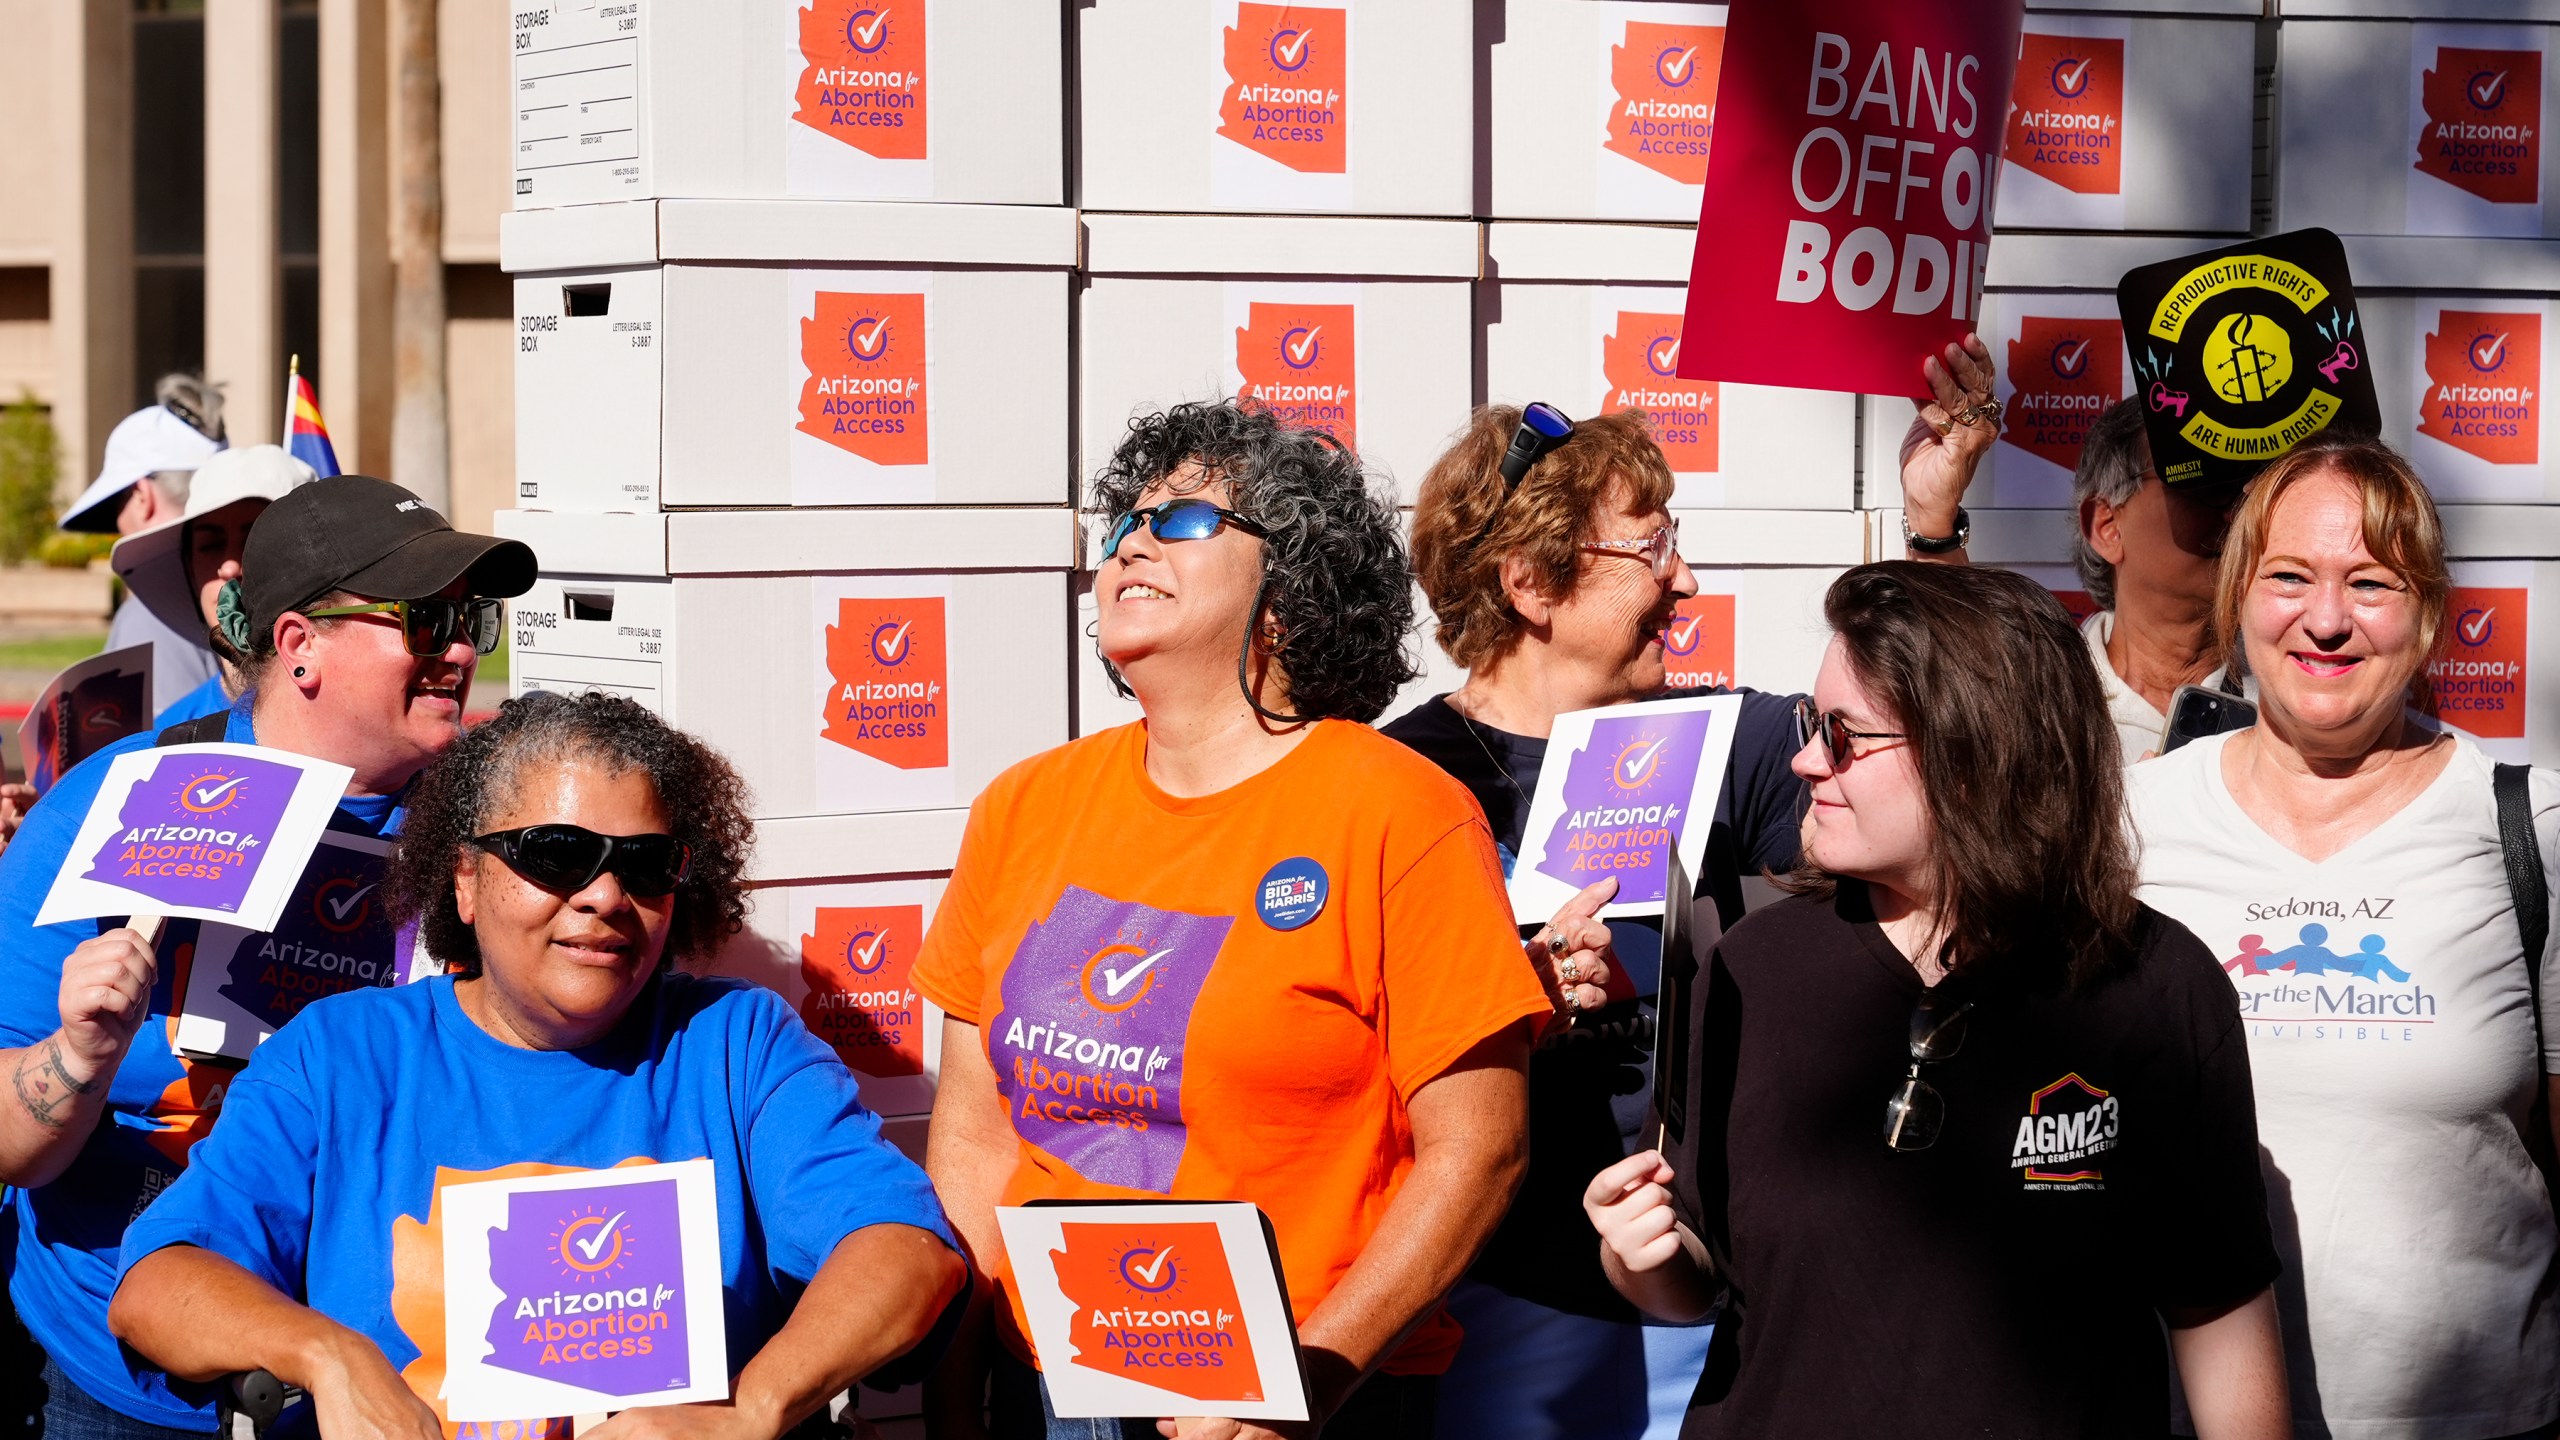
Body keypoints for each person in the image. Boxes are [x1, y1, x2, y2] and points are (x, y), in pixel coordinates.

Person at [915, 401, 1550, 1440]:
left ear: (1291, 583)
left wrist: (1307, 1385)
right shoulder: (1022, 806)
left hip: (1304, 1394)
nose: (1130, 543)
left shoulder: (1402, 813)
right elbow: (978, 1135)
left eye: (1183, 522)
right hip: (1052, 1390)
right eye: (1124, 522)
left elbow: (1479, 1151)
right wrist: (951, 1395)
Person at [109, 689, 965, 1440]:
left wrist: (753, 1407)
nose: (603, 895)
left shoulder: (739, 1045)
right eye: (555, 854)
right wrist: (324, 1354)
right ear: (467, 882)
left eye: (644, 864)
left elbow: (905, 1251)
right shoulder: (338, 1055)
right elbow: (157, 1282)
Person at [1585, 561, 2288, 1438]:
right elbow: (1697, 1279)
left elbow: (2215, 1304)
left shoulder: (2157, 985)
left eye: (1843, 735)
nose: (1804, 760)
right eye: (1811, 724)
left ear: (1973, 755)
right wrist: (1639, 1255)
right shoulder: (1748, 969)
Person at [0, 474, 533, 1437]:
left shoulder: (506, 832)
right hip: (131, 1384)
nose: (459, 648)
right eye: (422, 618)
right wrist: (78, 1058)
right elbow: (10, 1146)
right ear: (299, 647)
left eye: (469, 618)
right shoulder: (112, 811)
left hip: (409, 1379)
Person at [2124, 436, 2560, 1436]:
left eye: (2369, 583)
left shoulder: (2527, 830)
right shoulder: (2128, 822)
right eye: (2287, 577)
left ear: (2430, 617)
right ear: (2238, 594)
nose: (2324, 620)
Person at [1384, 406, 1803, 1440]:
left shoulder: (1724, 742)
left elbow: (1936, 778)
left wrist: (1930, 530)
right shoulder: (1397, 783)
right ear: (1532, 584)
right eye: (1652, 545)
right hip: (1496, 1315)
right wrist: (1507, 997)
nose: (1687, 581)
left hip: (1704, 1298)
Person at [1904, 392, 2253, 762]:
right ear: (2107, 527)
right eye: (2203, 484)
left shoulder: (2296, 688)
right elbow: (1957, 682)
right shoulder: (2040, 696)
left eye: (2248, 488)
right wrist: (1932, 521)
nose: (2237, 513)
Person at [108, 445, 319, 726]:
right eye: (210, 545)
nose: (230, 567)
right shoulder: (167, 739)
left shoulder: (365, 713)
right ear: (190, 571)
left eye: (253, 541)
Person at [63, 377, 231, 717]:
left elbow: (164, 756)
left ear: (142, 497)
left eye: (116, 505)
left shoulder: (153, 612)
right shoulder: (249, 585)